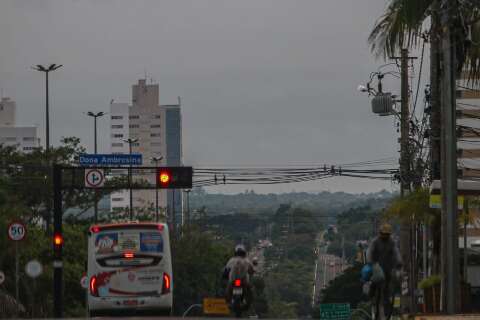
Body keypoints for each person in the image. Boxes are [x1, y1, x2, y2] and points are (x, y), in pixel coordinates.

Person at [366, 223, 402, 320]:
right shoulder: (375, 242)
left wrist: (398, 262)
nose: (385, 236)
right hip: (376, 267)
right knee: (375, 281)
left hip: (388, 268)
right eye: (383, 233)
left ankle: (387, 308)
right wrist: (370, 262)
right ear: (380, 233)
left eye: (387, 234)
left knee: (388, 288)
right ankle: (372, 293)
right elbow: (369, 252)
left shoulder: (392, 243)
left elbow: (396, 252)